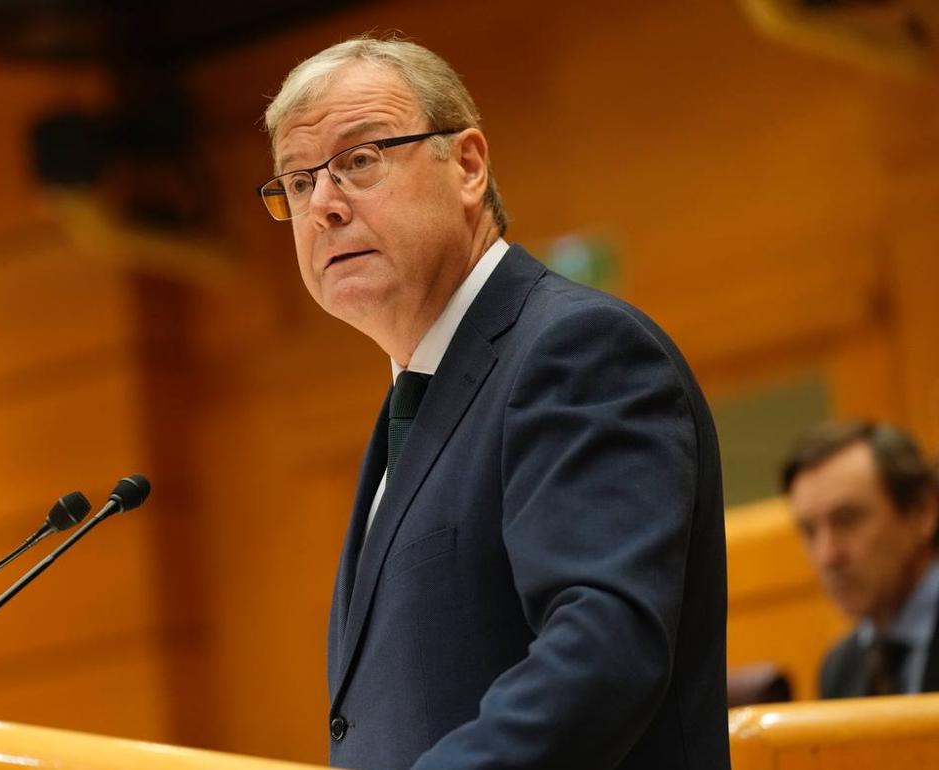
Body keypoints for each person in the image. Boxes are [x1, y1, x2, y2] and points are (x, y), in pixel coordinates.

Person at [257, 35, 729, 770]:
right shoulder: (414, 404)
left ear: (468, 165)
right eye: (296, 181)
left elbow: (602, 656)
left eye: (358, 161)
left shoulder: (576, 352)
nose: (323, 206)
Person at [782, 420, 939, 698]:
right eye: (809, 531)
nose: (827, 556)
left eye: (847, 520)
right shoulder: (839, 668)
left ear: (922, 511)